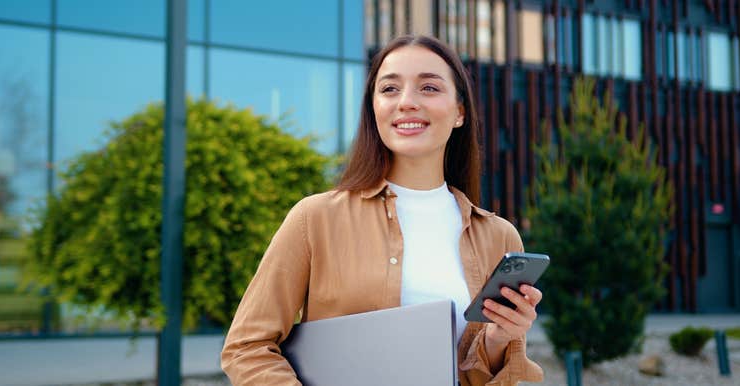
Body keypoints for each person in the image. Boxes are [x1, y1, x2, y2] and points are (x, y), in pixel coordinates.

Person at [221, 35, 544, 386]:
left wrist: (498, 340)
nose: (406, 102)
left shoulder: (498, 237)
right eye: (389, 89)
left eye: (429, 88)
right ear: (373, 108)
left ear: (460, 113)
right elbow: (247, 347)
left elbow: (487, 377)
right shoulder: (313, 219)